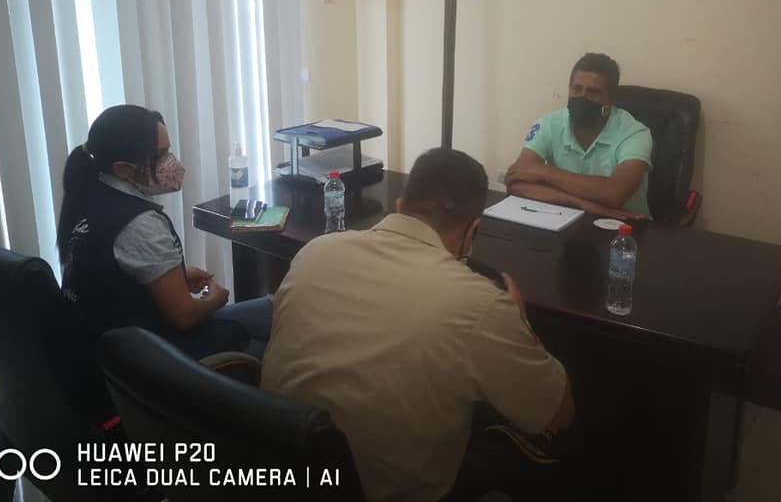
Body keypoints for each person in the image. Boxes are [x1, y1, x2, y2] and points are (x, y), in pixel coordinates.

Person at [260, 148, 577, 501]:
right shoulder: (478, 303)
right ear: (473, 230)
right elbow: (557, 414)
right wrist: (521, 322)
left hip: (275, 473)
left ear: (400, 207)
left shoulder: (315, 252)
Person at [58, 105, 271, 359]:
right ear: (123, 169)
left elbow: (113, 281)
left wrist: (172, 279)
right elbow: (185, 316)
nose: (172, 162)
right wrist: (217, 297)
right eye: (160, 155)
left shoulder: (89, 197)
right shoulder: (139, 223)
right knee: (281, 336)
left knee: (279, 308)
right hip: (157, 359)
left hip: (116, 347)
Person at [505, 52, 652, 219]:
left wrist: (544, 172)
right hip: (563, 218)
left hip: (625, 225)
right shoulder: (549, 124)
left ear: (611, 98)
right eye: (576, 89)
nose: (583, 97)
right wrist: (583, 205)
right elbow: (515, 182)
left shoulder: (635, 133)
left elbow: (615, 193)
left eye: (593, 92)